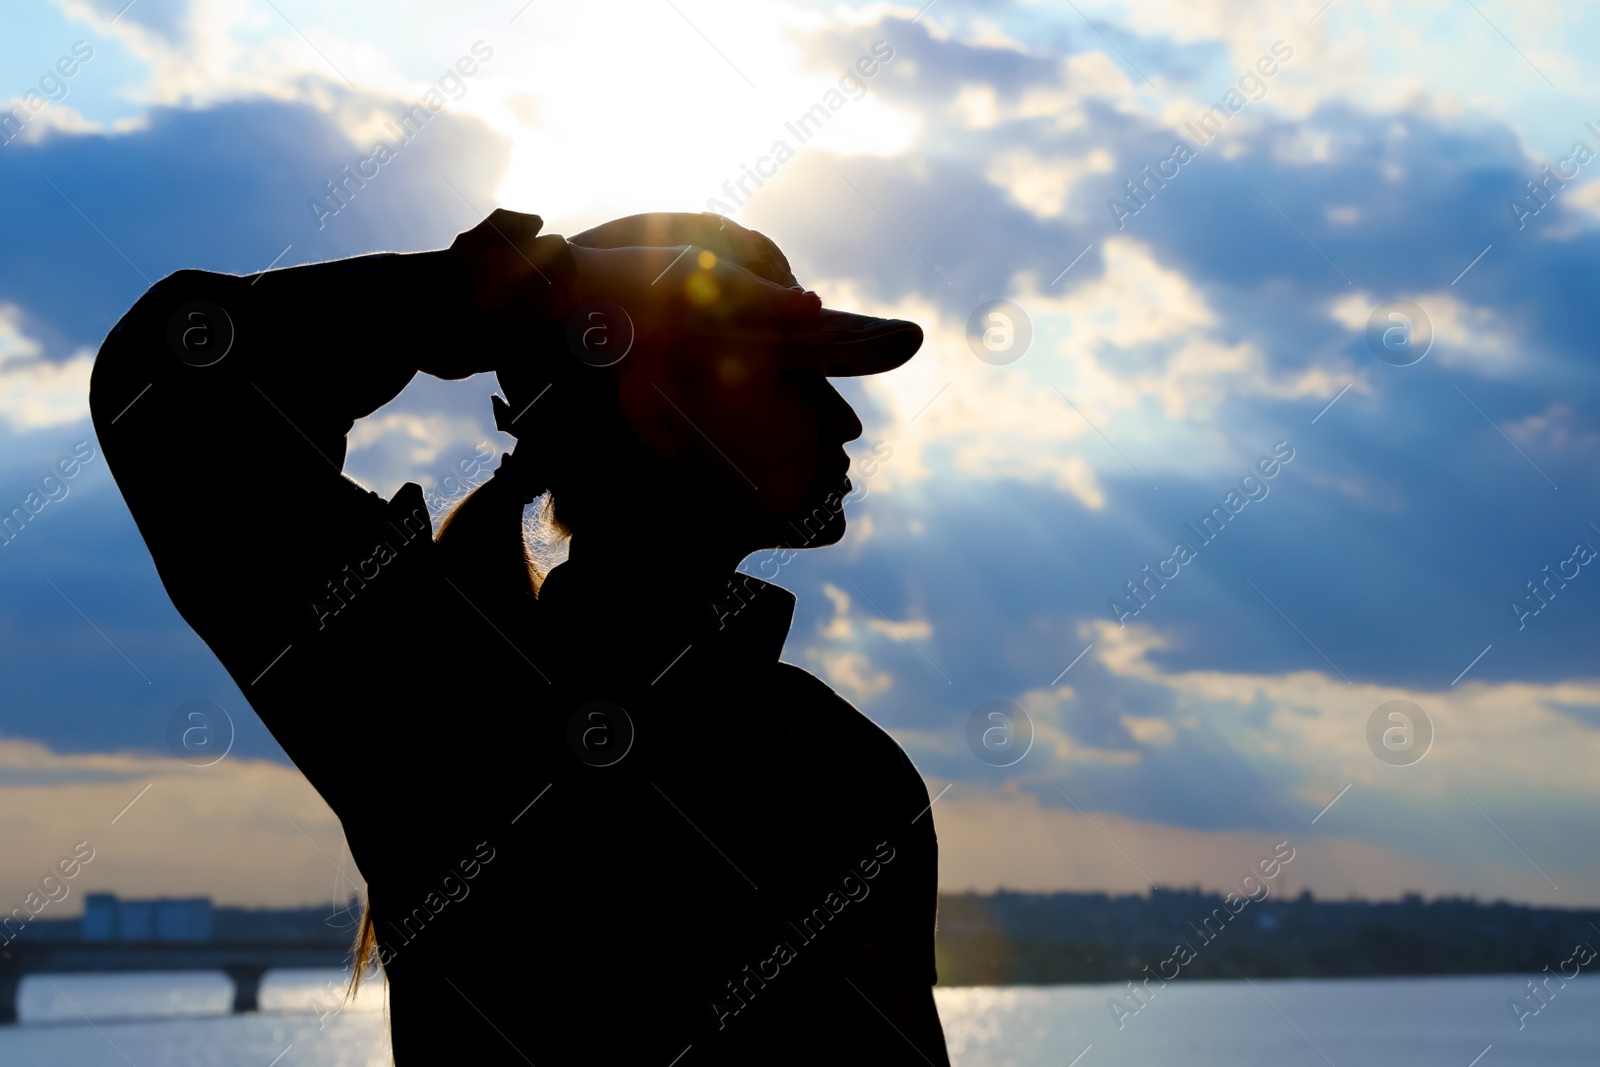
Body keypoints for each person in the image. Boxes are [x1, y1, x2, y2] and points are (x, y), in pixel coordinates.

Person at [89, 208, 951, 1064]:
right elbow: (168, 377)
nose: (849, 423)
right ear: (657, 408)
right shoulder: (455, 704)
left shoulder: (853, 764)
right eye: (800, 377)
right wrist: (506, 284)